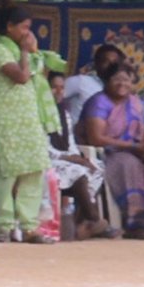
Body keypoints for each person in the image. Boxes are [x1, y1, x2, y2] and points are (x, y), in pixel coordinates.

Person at [0, 6, 63, 244]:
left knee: (34, 170)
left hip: (28, 118)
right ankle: (4, 227)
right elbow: (22, 76)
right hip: (6, 119)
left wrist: (33, 52)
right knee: (6, 173)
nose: (28, 32)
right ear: (9, 27)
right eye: (24, 27)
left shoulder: (19, 50)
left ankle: (29, 227)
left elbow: (38, 76)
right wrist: (25, 52)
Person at [81, 64, 144, 238]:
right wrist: (132, 147)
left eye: (126, 80)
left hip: (132, 151)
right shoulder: (99, 102)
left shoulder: (134, 102)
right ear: (107, 81)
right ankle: (136, 218)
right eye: (117, 79)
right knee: (128, 163)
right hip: (106, 154)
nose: (122, 84)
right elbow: (96, 138)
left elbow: (142, 131)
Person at [46, 70, 113, 240]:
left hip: (66, 160)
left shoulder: (64, 113)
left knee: (96, 168)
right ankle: (94, 219)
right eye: (54, 87)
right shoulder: (39, 113)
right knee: (78, 172)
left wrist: (80, 158)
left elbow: (70, 142)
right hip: (48, 161)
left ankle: (81, 224)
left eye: (62, 88)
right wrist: (69, 158)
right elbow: (43, 148)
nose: (59, 92)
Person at [59, 43, 122, 129]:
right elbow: (52, 99)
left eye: (115, 63)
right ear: (96, 63)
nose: (111, 66)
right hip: (75, 135)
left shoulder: (119, 92)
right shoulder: (80, 81)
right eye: (107, 62)